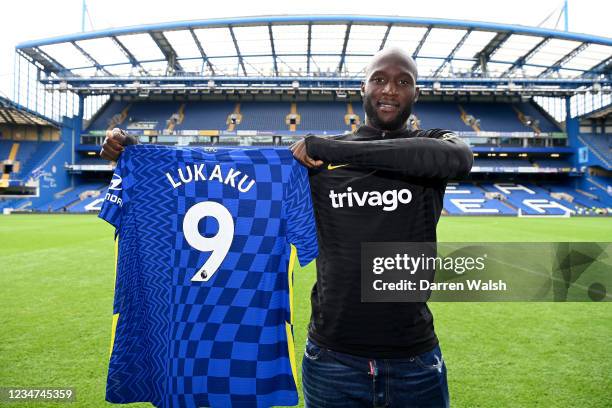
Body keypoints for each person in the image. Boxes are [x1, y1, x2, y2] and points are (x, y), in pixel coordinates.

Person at [101, 47, 472, 407]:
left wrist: (335, 150)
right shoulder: (315, 160)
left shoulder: (429, 145)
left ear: (417, 93)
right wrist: (142, 157)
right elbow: (226, 178)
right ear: (363, 88)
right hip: (333, 359)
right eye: (379, 79)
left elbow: (458, 159)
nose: (390, 89)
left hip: (414, 359)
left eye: (403, 81)